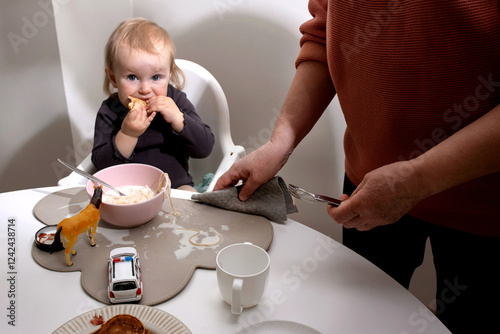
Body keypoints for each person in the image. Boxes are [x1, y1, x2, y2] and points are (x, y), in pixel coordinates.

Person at [215, 1, 500, 333]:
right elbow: (324, 35)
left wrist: (417, 178)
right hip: (369, 191)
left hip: (484, 210)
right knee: (359, 320)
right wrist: (279, 143)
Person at [92, 18, 214, 191]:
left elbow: (205, 148)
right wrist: (127, 135)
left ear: (169, 74)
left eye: (156, 77)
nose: (145, 89)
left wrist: (178, 119)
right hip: (127, 192)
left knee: (190, 198)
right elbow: (101, 166)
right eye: (132, 77)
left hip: (175, 189)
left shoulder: (176, 101)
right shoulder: (110, 110)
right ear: (113, 78)